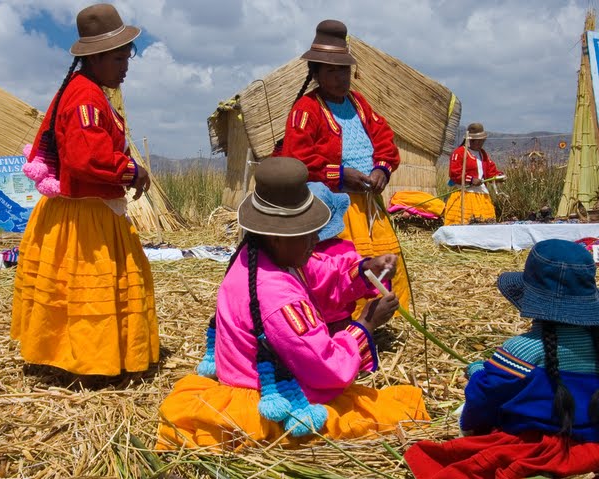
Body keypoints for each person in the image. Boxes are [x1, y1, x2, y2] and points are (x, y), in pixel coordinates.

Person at [156, 157, 429, 451]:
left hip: (249, 375)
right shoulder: (278, 298)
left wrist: (366, 271)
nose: (316, 240)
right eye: (308, 232)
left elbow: (322, 278)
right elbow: (326, 368)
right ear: (277, 236)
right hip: (278, 399)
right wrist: (365, 325)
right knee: (401, 411)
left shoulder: (258, 254)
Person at [11, 3, 158, 378]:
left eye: (128, 57)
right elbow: (85, 159)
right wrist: (132, 171)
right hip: (84, 216)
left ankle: (85, 357)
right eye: (119, 59)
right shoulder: (85, 98)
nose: (126, 66)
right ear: (96, 58)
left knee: (84, 292)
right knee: (88, 292)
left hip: (84, 209)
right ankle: (90, 361)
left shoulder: (87, 90)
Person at [404, 239, 599, 479]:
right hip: (592, 444)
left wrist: (476, 372)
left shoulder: (523, 350)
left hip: (535, 449)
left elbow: (483, 398)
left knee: (434, 458)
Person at [280, 19, 410, 318]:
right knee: (349, 264)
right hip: (334, 206)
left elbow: (385, 140)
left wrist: (381, 170)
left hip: (369, 205)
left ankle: (382, 318)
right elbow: (296, 158)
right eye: (331, 71)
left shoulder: (359, 103)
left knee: (386, 261)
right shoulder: (306, 109)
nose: (340, 77)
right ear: (315, 73)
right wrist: (339, 174)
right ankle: (351, 323)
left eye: (344, 70)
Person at [307, 181, 399, 335]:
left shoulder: (296, 253)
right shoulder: (344, 249)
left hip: (308, 321)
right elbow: (366, 281)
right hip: (341, 322)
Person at [444, 123, 505, 225]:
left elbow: (490, 171)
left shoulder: (483, 154)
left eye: (482, 141)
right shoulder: (459, 153)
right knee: (465, 221)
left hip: (481, 195)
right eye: (479, 141)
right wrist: (471, 179)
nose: (481, 143)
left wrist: (498, 176)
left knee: (485, 221)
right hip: (465, 194)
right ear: (470, 140)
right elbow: (455, 173)